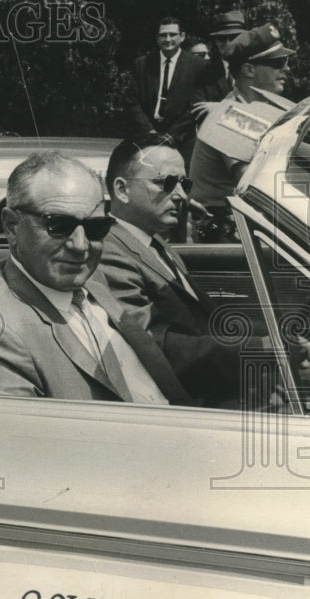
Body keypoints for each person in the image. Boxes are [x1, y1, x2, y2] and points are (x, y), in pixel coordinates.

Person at [0, 152, 193, 404]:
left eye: (95, 228)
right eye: (59, 226)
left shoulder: (92, 282)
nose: (80, 245)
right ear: (12, 227)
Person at [98, 136, 268, 403]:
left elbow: (204, 323)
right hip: (188, 402)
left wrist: (272, 335)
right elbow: (155, 346)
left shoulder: (156, 244)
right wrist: (261, 350)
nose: (181, 195)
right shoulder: (109, 251)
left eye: (184, 184)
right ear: (121, 190)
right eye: (165, 183)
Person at [189, 23, 296, 241]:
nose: (286, 69)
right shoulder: (230, 117)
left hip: (245, 226)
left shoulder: (257, 111)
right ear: (249, 70)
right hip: (223, 233)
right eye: (278, 63)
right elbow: (256, 186)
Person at [126, 16, 209, 165]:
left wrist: (171, 135)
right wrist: (149, 132)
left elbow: (196, 105)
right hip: (146, 140)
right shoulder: (142, 64)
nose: (167, 39)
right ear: (157, 38)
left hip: (182, 141)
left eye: (172, 34)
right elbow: (132, 102)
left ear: (182, 37)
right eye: (163, 35)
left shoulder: (197, 66)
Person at [191, 10, 248, 104]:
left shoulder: (257, 70)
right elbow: (199, 107)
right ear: (216, 42)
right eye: (222, 38)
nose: (228, 43)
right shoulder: (203, 74)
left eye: (233, 37)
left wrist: (215, 107)